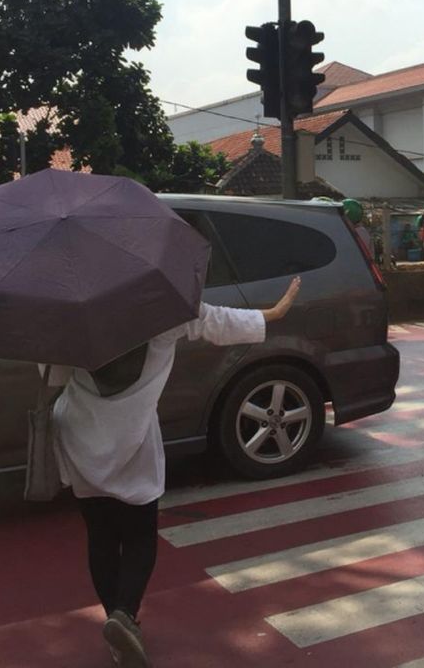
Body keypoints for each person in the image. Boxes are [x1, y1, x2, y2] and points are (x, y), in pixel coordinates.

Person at [44, 277, 301, 668]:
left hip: (80, 434)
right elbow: (218, 322)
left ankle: (118, 624)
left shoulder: (72, 310)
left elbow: (54, 375)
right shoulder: (163, 307)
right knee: (140, 534)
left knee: (100, 535)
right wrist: (276, 311)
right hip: (132, 439)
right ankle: (125, 616)